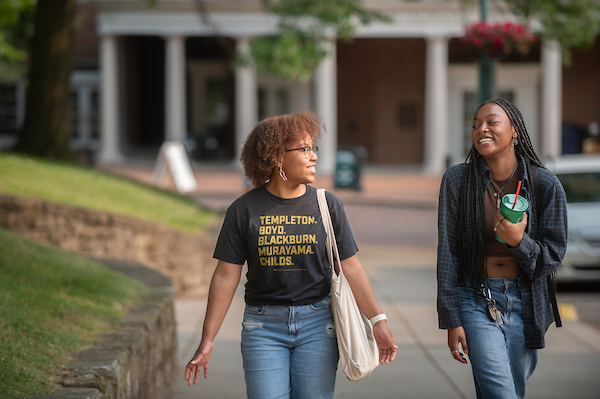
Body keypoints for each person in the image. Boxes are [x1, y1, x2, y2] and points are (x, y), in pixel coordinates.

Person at [185, 111, 397, 399]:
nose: (314, 157)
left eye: (313, 148)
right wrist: (207, 340)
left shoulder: (327, 205)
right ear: (276, 157)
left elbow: (351, 267)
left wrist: (378, 321)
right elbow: (225, 275)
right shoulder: (243, 210)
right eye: (304, 149)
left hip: (318, 325)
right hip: (262, 327)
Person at [437, 99, 568, 399]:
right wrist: (451, 318)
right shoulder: (457, 181)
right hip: (475, 299)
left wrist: (518, 242)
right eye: (475, 125)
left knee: (511, 391)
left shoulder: (544, 185)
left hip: (526, 303)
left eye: (491, 122)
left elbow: (552, 257)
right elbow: (447, 252)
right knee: (501, 393)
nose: (481, 129)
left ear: (515, 131)